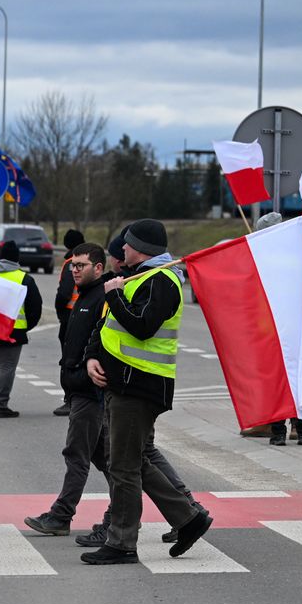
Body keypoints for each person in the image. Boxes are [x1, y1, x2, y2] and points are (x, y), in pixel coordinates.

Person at [82, 219, 212, 564]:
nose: (121, 249)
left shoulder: (162, 280)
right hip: (123, 382)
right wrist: (93, 356)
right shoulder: (137, 277)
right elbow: (109, 326)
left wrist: (114, 294)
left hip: (139, 385)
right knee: (131, 460)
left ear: (141, 247)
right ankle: (188, 517)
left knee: (123, 467)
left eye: (127, 243)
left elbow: (141, 327)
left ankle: (122, 543)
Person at [25, 242, 111, 537]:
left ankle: (61, 516)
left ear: (98, 268)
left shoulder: (102, 297)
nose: (73, 270)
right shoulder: (85, 295)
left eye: (80, 266)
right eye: (72, 265)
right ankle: (127, 510)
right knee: (107, 459)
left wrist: (87, 366)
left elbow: (102, 341)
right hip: (79, 389)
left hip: (90, 392)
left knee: (77, 454)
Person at [252, 213, 302, 445]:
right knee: (299, 379)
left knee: (276, 381)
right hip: (297, 335)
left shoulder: (261, 266)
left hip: (270, 334)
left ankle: (278, 433)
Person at [0, 240, 42, 417]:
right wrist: (26, 327)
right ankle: (0, 405)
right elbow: (35, 308)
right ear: (17, 258)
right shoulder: (25, 279)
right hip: (13, 332)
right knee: (7, 368)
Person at [52, 229, 85, 416]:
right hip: (85, 315)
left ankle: (70, 399)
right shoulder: (90, 259)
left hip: (70, 317)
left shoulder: (70, 264)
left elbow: (64, 293)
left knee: (68, 360)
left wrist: (60, 313)